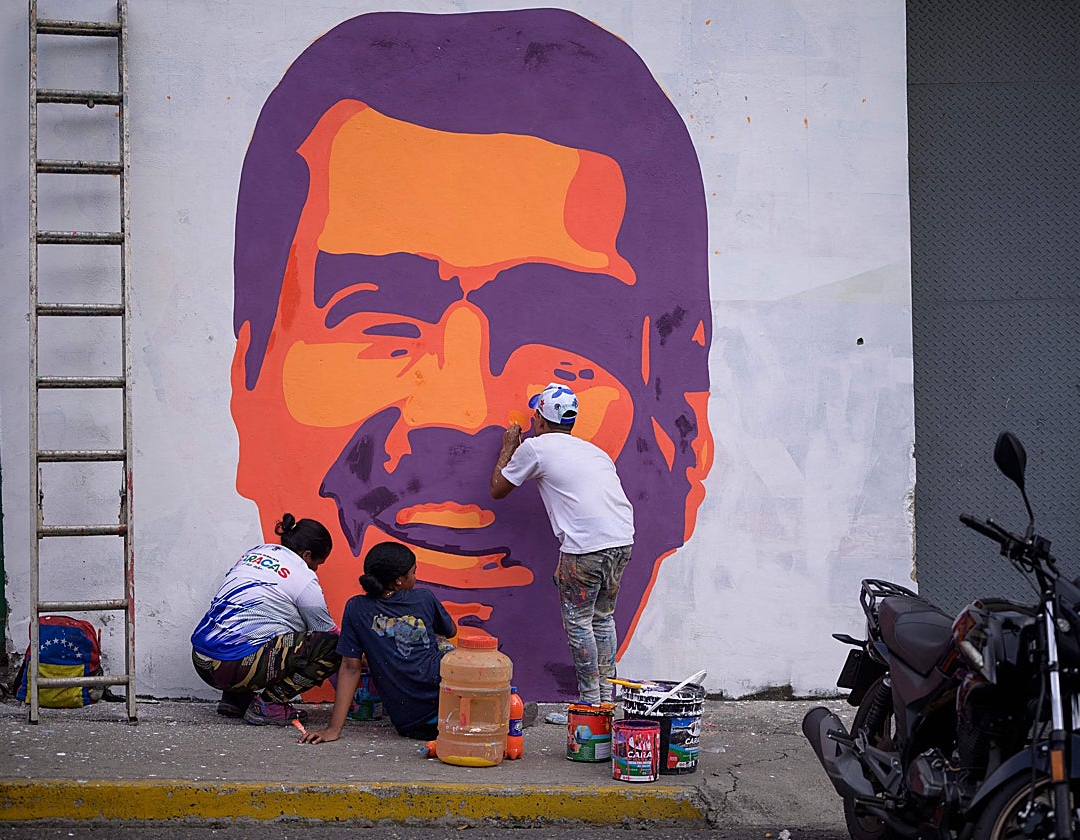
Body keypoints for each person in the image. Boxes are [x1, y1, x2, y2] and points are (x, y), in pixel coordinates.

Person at [230, 9, 713, 699]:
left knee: (584, 618)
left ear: (686, 426)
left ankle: (595, 697)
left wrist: (517, 445)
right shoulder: (586, 456)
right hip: (603, 549)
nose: (458, 413)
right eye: (380, 321)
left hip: (581, 553)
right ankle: (602, 695)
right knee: (593, 619)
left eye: (563, 332)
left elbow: (499, 483)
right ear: (247, 396)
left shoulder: (542, 451)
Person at [490, 383, 634, 706]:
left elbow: (498, 489)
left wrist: (508, 447)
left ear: (540, 419)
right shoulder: (594, 451)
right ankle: (606, 701)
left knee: (579, 621)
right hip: (622, 540)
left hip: (586, 547)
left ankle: (590, 704)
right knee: (602, 618)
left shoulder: (536, 448)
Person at [190, 514, 340, 725]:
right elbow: (325, 631)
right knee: (335, 647)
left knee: (257, 632)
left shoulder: (256, 553)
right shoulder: (304, 577)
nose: (316, 570)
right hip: (233, 664)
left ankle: (235, 697)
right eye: (317, 564)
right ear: (307, 555)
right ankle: (270, 704)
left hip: (201, 659)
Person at [302, 542, 455, 743]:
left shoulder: (356, 607)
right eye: (413, 573)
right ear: (399, 581)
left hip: (409, 724)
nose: (415, 578)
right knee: (445, 645)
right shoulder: (424, 598)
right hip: (452, 716)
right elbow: (451, 630)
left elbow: (349, 667)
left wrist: (333, 729)